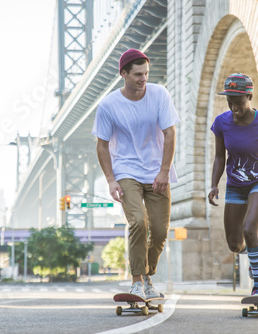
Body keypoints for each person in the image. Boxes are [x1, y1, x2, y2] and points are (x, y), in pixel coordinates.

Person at [92, 48, 180, 299]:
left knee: (161, 231)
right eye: (138, 74)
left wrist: (164, 171)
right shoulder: (108, 105)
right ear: (123, 74)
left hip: (156, 172)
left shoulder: (159, 94)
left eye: (146, 73)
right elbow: (102, 144)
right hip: (126, 170)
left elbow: (170, 133)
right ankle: (136, 281)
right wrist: (110, 179)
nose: (143, 79)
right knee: (139, 222)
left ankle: (148, 276)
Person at [208, 73, 258, 296]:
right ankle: (256, 250)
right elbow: (219, 157)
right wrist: (214, 185)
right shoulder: (221, 123)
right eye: (229, 101)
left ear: (249, 96)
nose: (234, 107)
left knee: (250, 230)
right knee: (235, 244)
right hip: (235, 185)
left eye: (239, 102)